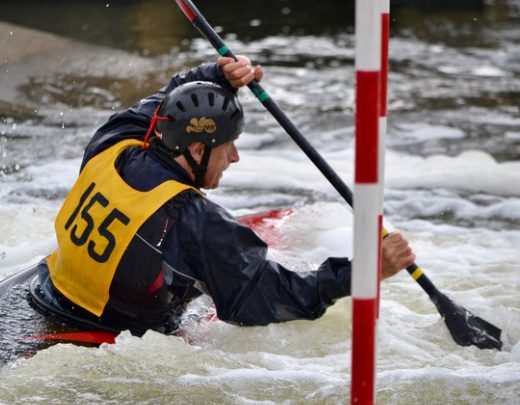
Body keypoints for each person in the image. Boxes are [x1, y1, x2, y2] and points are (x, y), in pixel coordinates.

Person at [31, 56, 415, 336]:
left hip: (51, 295)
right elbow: (267, 299)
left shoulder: (116, 140)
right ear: (197, 150)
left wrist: (218, 76)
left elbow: (165, 99)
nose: (235, 156)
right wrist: (365, 272)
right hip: (117, 334)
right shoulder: (194, 219)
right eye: (227, 146)